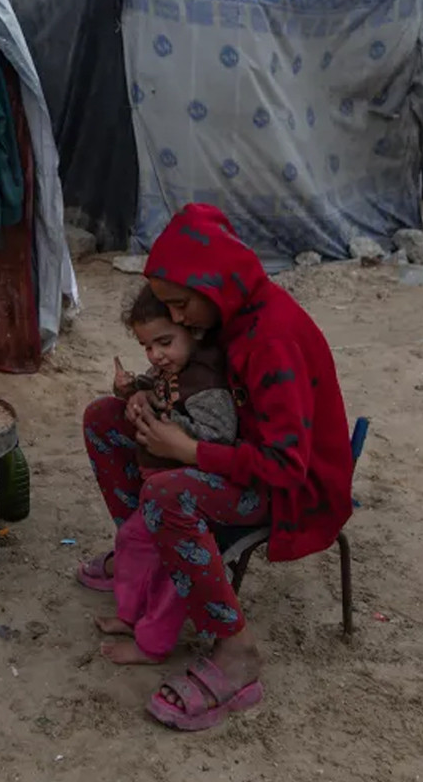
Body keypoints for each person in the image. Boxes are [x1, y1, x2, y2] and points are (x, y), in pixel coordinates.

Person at [79, 203, 354, 731]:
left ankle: (236, 652)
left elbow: (286, 467)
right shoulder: (228, 315)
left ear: (215, 284)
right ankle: (143, 556)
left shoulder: (270, 338)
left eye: (181, 306)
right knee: (105, 420)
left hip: (292, 493)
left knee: (169, 496)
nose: (178, 320)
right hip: (229, 452)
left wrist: (188, 453)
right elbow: (199, 392)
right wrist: (145, 399)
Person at [89, 284, 238, 666]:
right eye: (147, 348)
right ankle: (130, 614)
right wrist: (131, 390)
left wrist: (173, 431)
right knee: (133, 540)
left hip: (189, 498)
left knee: (171, 567)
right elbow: (158, 390)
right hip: (159, 494)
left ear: (194, 330)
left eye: (164, 343)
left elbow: (218, 437)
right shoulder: (173, 367)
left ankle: (152, 644)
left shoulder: (206, 383)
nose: (156, 355)